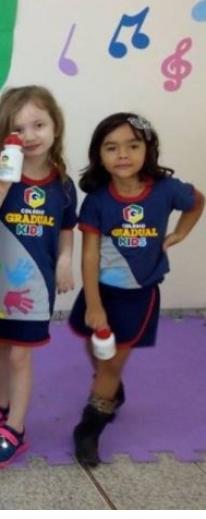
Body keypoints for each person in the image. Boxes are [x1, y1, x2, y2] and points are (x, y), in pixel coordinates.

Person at [68, 113, 203, 467]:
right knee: (95, 348)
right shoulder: (97, 200)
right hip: (100, 292)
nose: (123, 154)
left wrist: (179, 233)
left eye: (133, 145)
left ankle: (90, 427)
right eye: (112, 148)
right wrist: (94, 306)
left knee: (110, 364)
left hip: (137, 297)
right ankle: (110, 388)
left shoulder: (166, 191)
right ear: (100, 155)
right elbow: (90, 256)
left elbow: (197, 201)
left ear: (148, 149)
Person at [0, 86, 77, 467]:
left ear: (55, 127)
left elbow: (66, 229)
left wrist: (65, 263)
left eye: (39, 124)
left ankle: (16, 426)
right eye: (18, 129)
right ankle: (0, 402)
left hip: (34, 289)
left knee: (19, 358)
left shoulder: (62, 185)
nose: (29, 136)